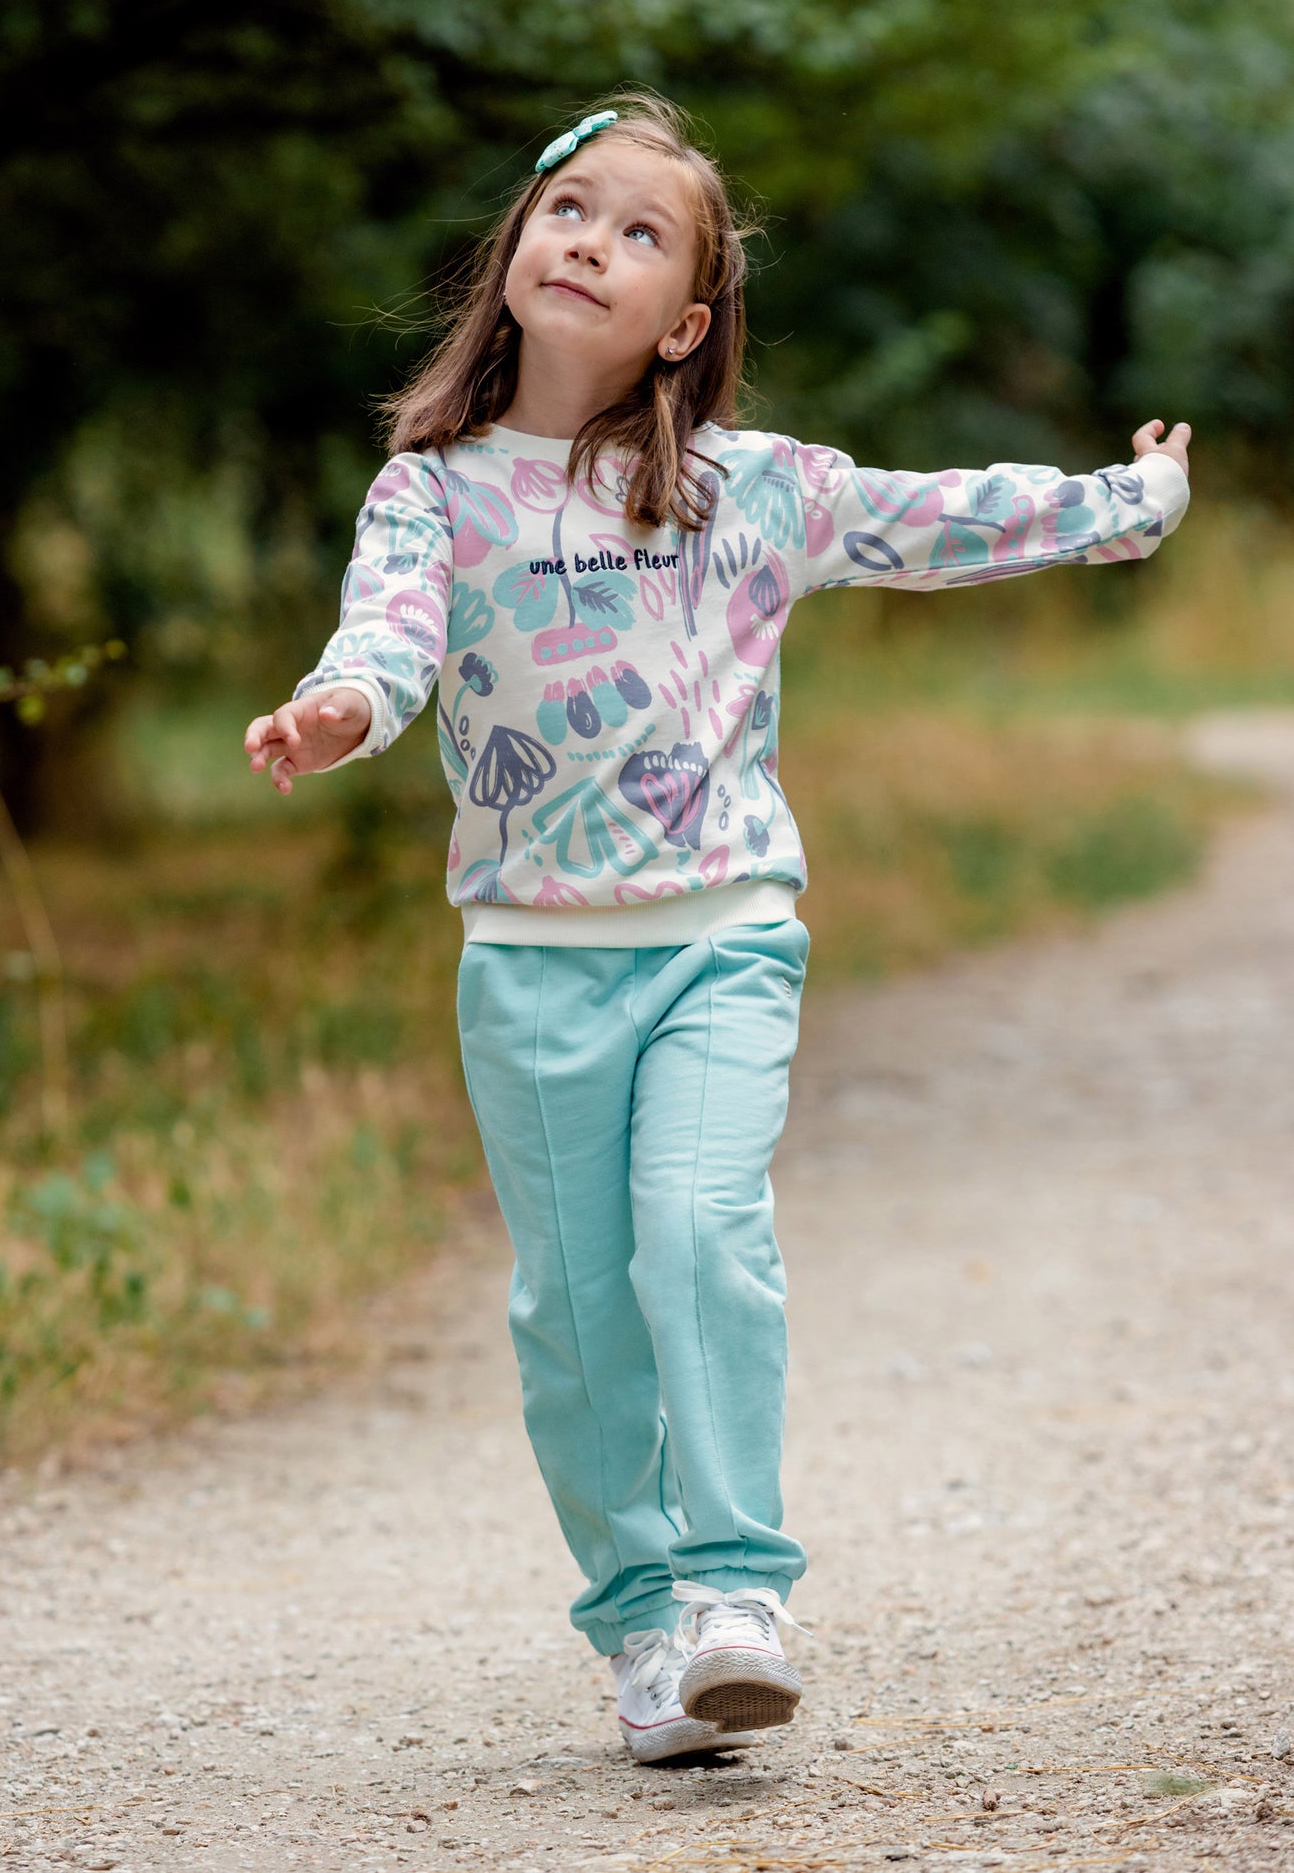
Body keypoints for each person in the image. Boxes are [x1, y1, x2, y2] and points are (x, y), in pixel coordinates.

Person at [244, 93, 1191, 1764]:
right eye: (567, 212)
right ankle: (640, 1631)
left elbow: (936, 518)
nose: (588, 242)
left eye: (636, 231)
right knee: (574, 1316)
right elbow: (385, 644)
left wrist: (1122, 504)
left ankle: (741, 1596)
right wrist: (338, 713)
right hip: (529, 961)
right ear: (515, 253)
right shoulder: (432, 493)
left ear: (683, 321)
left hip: (720, 937)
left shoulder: (749, 491)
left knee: (697, 1234)